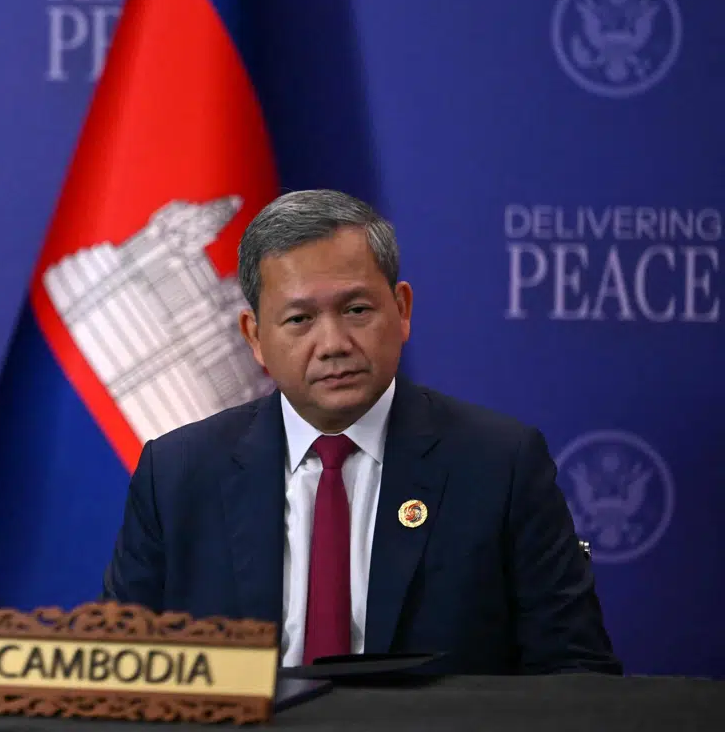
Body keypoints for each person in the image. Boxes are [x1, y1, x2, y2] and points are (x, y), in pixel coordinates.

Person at [102, 189, 619, 674]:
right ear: (254, 337)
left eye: (356, 310)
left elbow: (575, 676)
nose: (333, 343)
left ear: (402, 309)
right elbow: (122, 673)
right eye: (300, 319)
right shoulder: (178, 473)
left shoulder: (500, 464)